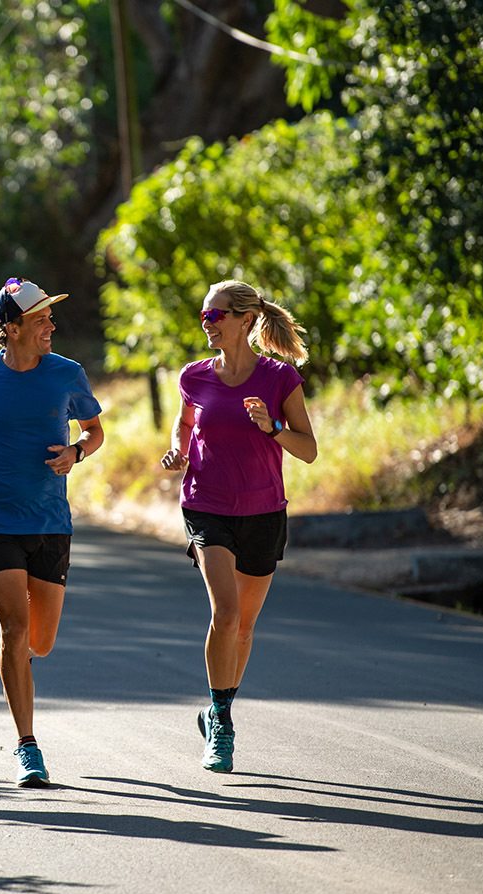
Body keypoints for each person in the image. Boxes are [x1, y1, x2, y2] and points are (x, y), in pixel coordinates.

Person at [0, 277, 104, 787]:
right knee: (13, 631)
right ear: (11, 328)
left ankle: (20, 665)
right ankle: (28, 745)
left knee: (41, 641)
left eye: (50, 318)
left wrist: (76, 452)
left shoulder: (66, 374)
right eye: (40, 320)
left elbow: (95, 432)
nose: (51, 326)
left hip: (51, 520)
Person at [159, 279, 317, 774]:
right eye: (204, 316)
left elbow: (308, 449)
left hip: (264, 510)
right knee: (225, 614)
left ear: (245, 321)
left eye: (215, 316)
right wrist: (179, 451)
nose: (207, 324)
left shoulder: (279, 379)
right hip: (206, 505)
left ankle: (215, 709)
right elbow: (185, 424)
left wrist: (272, 428)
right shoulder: (194, 376)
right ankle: (223, 724)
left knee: (245, 627)